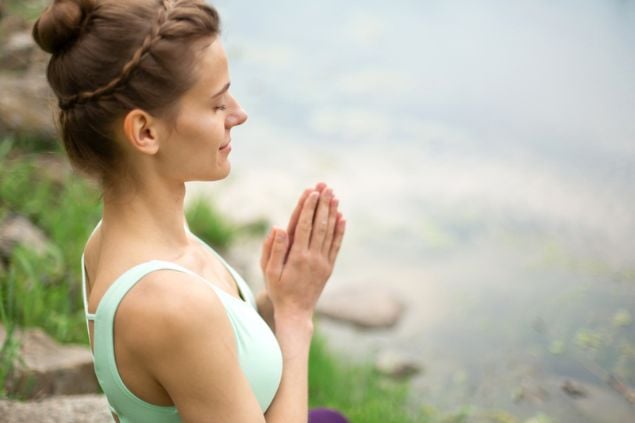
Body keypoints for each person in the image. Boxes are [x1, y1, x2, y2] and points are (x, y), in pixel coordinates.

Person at [32, 0, 347, 422]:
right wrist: (295, 316)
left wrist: (275, 299)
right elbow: (192, 327)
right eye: (217, 105)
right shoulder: (169, 304)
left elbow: (207, 357)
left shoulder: (115, 238)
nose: (239, 114)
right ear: (145, 131)